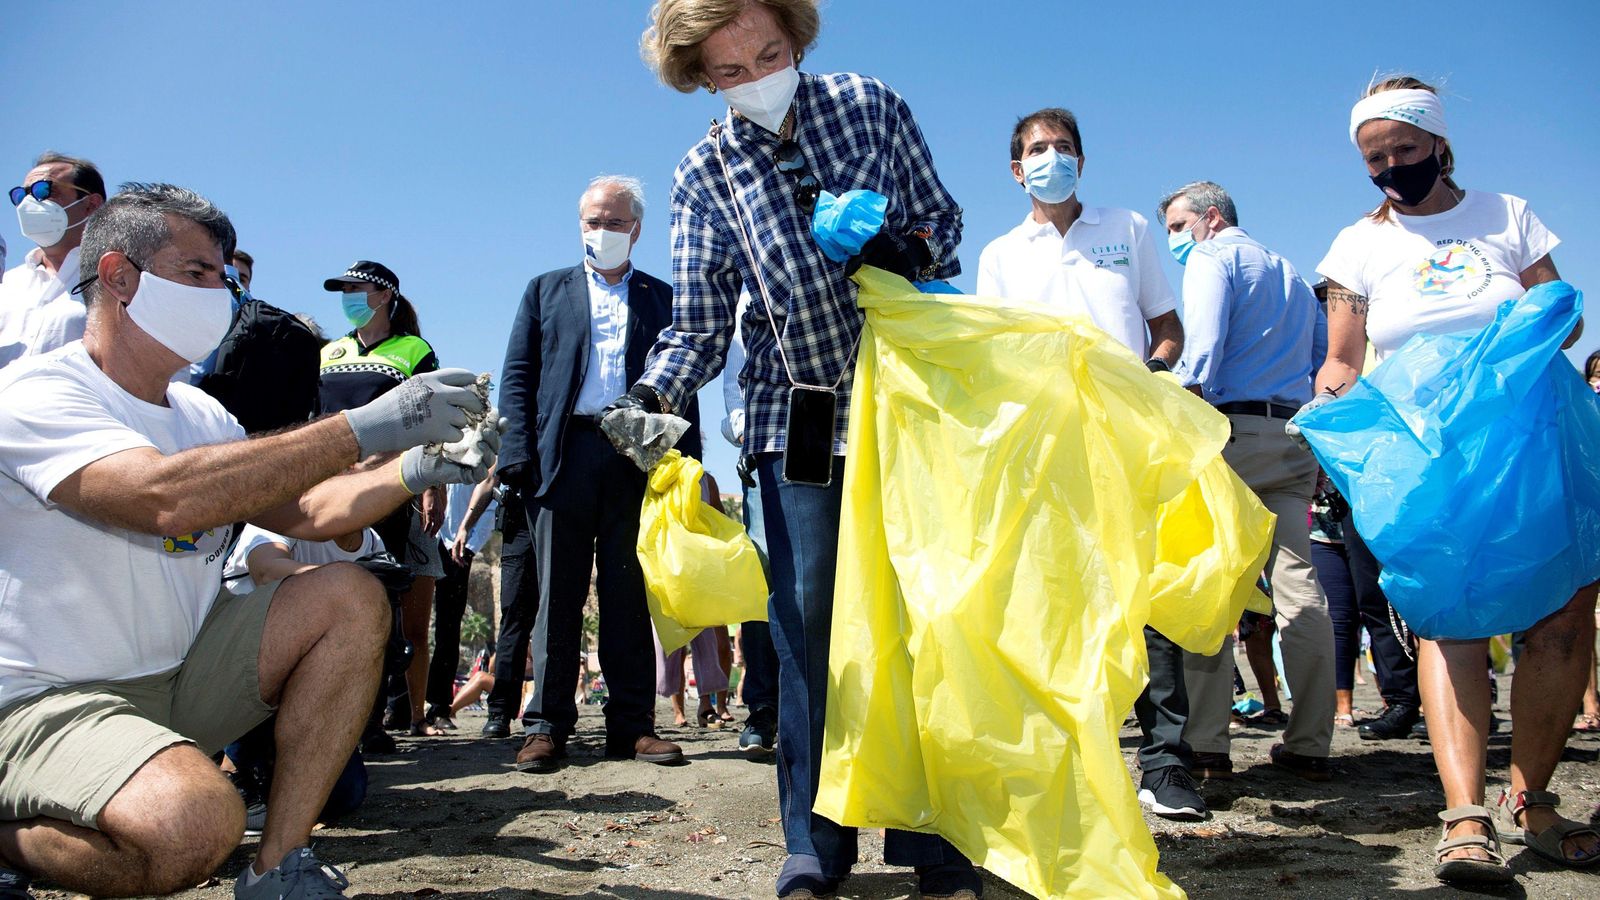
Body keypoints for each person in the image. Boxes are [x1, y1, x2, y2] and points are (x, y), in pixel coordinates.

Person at [0, 183, 494, 899]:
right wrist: (365, 427)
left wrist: (414, 466)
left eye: (223, 273)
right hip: (51, 700)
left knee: (351, 598)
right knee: (194, 827)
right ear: (117, 276)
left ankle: (279, 868)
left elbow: (313, 508)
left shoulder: (202, 413)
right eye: (197, 272)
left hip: (178, 678)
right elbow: (162, 496)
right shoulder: (38, 393)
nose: (220, 289)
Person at [617, 3, 978, 897]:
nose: (756, 77)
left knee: (918, 613)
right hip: (799, 416)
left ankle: (936, 839)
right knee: (811, 625)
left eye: (768, 55)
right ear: (701, 77)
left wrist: (896, 245)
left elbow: (944, 229)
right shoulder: (704, 170)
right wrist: (649, 397)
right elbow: (698, 325)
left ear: (797, 40)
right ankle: (815, 840)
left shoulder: (870, 105)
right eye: (731, 71)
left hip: (907, 400)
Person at [1309, 76, 1598, 881]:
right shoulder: (1357, 244)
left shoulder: (1508, 214)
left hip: (1534, 440)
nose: (1391, 167)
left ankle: (1532, 797)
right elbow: (1342, 358)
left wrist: (1531, 325)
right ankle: (1465, 812)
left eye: (1404, 149)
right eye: (1376, 158)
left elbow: (1563, 315)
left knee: (1562, 617)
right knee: (1448, 618)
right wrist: (1330, 418)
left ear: (1438, 143)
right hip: (1429, 454)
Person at [977, 108, 1203, 821]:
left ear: (1082, 160)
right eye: (1038, 150)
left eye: (1063, 147)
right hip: (1045, 449)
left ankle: (1165, 763)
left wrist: (1155, 373)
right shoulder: (1001, 255)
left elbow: (1166, 325)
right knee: (1060, 597)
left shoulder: (1128, 229)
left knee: (1146, 593)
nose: (1052, 158)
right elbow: (992, 356)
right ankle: (1078, 755)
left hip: (1128, 437)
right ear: (1016, 170)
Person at [496, 174, 701, 773]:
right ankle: (545, 727)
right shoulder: (544, 291)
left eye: (613, 222)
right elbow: (518, 376)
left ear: (635, 228)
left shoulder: (663, 298)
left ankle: (633, 726)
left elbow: (686, 379)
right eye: (592, 221)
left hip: (636, 461)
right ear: (579, 225)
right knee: (555, 598)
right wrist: (516, 455)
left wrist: (688, 460)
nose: (602, 231)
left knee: (628, 595)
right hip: (562, 457)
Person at [1156, 180, 1337, 784]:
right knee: (1299, 584)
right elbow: (1320, 359)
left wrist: (1160, 394)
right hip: (1291, 436)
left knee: (1214, 583)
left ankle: (1209, 744)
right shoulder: (1289, 272)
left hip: (1230, 435)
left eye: (1178, 227)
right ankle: (1311, 739)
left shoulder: (1214, 258)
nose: (1175, 241)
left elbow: (1201, 354)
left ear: (1209, 218)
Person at [319, 260, 448, 741]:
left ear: (384, 295)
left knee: (381, 597)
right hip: (330, 488)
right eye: (344, 289)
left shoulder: (414, 350)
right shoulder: (329, 351)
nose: (349, 296)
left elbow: (433, 421)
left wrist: (431, 487)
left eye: (357, 288)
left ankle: (370, 718)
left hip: (387, 488)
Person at [722, 305, 780, 757]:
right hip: (765, 450)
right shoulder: (746, 299)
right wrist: (750, 435)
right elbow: (735, 388)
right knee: (763, 575)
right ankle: (762, 708)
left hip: (838, 437)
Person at [0, 152, 105, 369]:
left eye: (44, 190)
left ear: (91, 204)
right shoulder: (7, 283)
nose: (27, 203)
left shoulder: (123, 281)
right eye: (21, 196)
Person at [424, 477, 498, 729]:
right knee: (405, 621)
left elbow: (490, 500)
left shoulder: (481, 450)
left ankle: (438, 705)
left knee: (447, 628)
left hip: (455, 545)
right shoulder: (435, 443)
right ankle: (399, 703)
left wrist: (469, 546)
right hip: (422, 537)